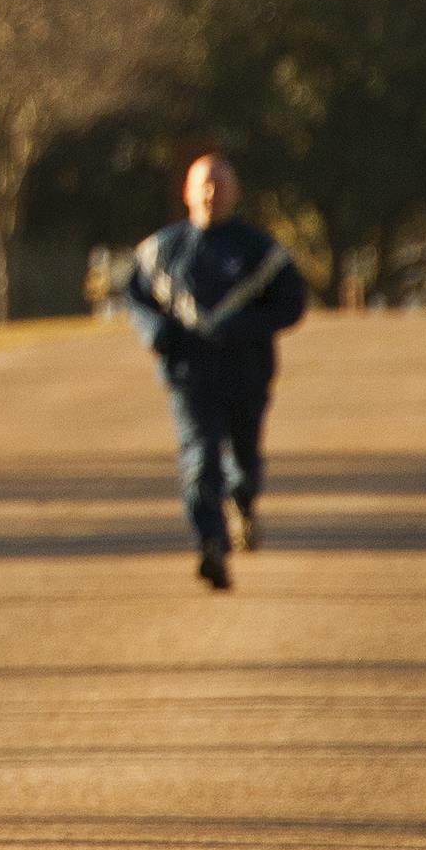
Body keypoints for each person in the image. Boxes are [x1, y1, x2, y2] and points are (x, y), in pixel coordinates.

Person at [124, 152, 306, 591]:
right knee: (200, 457)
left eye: (220, 185)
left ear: (234, 194)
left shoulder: (260, 251)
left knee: (241, 463)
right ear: (186, 193)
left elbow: (292, 303)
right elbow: (136, 298)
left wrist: (242, 327)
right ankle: (211, 542)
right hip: (189, 376)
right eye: (203, 184)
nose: (211, 193)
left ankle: (241, 503)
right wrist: (158, 333)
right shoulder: (161, 250)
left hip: (246, 374)